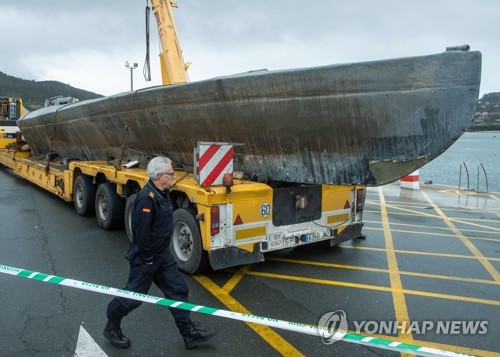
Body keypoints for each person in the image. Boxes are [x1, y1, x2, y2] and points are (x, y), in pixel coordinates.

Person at [104, 156, 217, 350]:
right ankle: (112, 326)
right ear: (160, 176)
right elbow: (140, 234)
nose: (174, 176)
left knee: (178, 290)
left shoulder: (162, 193)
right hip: (146, 259)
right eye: (171, 173)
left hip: (162, 257)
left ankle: (189, 334)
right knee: (133, 298)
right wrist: (147, 259)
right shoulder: (146, 199)